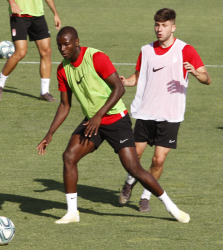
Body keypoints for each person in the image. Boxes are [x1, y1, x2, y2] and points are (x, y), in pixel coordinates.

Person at [36, 26, 190, 224]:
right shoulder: (62, 69)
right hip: (93, 122)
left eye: (66, 44)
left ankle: (171, 207)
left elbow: (119, 88)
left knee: (134, 169)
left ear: (76, 42)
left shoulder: (96, 58)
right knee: (69, 156)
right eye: (59, 45)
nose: (62, 48)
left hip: (116, 119)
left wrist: (99, 115)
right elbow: (65, 105)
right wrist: (50, 133)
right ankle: (72, 213)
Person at [118, 8, 211, 213]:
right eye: (157, 25)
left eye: (164, 25)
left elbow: (207, 79)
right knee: (135, 156)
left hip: (170, 115)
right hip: (146, 112)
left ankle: (145, 196)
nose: (159, 30)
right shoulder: (146, 50)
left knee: (158, 160)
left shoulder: (186, 50)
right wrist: (126, 81)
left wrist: (195, 73)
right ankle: (129, 182)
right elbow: (137, 77)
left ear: (173, 27)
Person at [0, 0, 61, 102]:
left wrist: (55, 13)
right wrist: (12, 2)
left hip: (38, 14)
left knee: (46, 51)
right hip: (19, 14)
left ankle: (44, 92)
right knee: (20, 52)